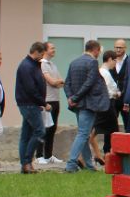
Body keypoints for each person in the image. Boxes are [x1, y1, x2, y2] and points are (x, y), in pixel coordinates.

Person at [63, 40, 109, 173]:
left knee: (84, 133)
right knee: (83, 134)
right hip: (88, 104)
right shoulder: (92, 62)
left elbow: (67, 83)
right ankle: (71, 164)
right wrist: (75, 98)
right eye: (99, 51)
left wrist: (70, 98)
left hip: (77, 104)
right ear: (95, 50)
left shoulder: (74, 62)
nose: (99, 54)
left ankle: (89, 165)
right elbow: (90, 83)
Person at [16, 42, 48, 174]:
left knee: (26, 134)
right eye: (42, 54)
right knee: (40, 131)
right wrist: (44, 103)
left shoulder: (33, 65)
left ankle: (25, 164)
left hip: (31, 103)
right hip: (29, 104)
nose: (42, 57)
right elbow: (31, 89)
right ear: (36, 52)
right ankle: (27, 161)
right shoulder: (27, 66)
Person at [36, 42, 65, 166]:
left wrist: (57, 82)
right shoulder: (42, 64)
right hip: (47, 101)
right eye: (52, 48)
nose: (54, 50)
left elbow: (61, 82)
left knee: (52, 129)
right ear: (45, 50)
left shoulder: (52, 65)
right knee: (44, 128)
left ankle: (48, 155)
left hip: (55, 100)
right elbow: (52, 82)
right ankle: (39, 155)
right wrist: (57, 82)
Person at [95, 51, 121, 157]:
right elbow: (105, 90)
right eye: (115, 61)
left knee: (108, 130)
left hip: (108, 103)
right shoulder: (104, 72)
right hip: (108, 104)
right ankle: (111, 153)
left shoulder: (104, 72)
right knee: (113, 130)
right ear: (110, 59)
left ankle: (108, 153)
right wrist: (115, 94)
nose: (115, 63)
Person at [113, 39, 129, 129]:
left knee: (128, 124)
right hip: (113, 98)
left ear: (125, 48)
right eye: (116, 47)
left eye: (120, 47)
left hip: (125, 98)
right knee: (111, 125)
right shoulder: (111, 60)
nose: (118, 49)